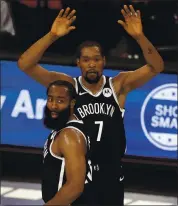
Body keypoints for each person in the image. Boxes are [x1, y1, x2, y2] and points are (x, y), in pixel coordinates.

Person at [18, 5, 164, 206]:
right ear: (78, 62)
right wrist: (51, 35)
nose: (92, 64)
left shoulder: (118, 85)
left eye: (96, 59)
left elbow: (157, 66)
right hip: (80, 174)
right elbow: (25, 64)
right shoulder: (68, 87)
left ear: (104, 61)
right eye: (86, 60)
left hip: (111, 176)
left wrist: (139, 37)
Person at [42, 80, 94, 206]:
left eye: (60, 101)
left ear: (72, 103)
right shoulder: (63, 128)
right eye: (50, 99)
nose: (53, 106)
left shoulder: (69, 135)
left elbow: (75, 187)